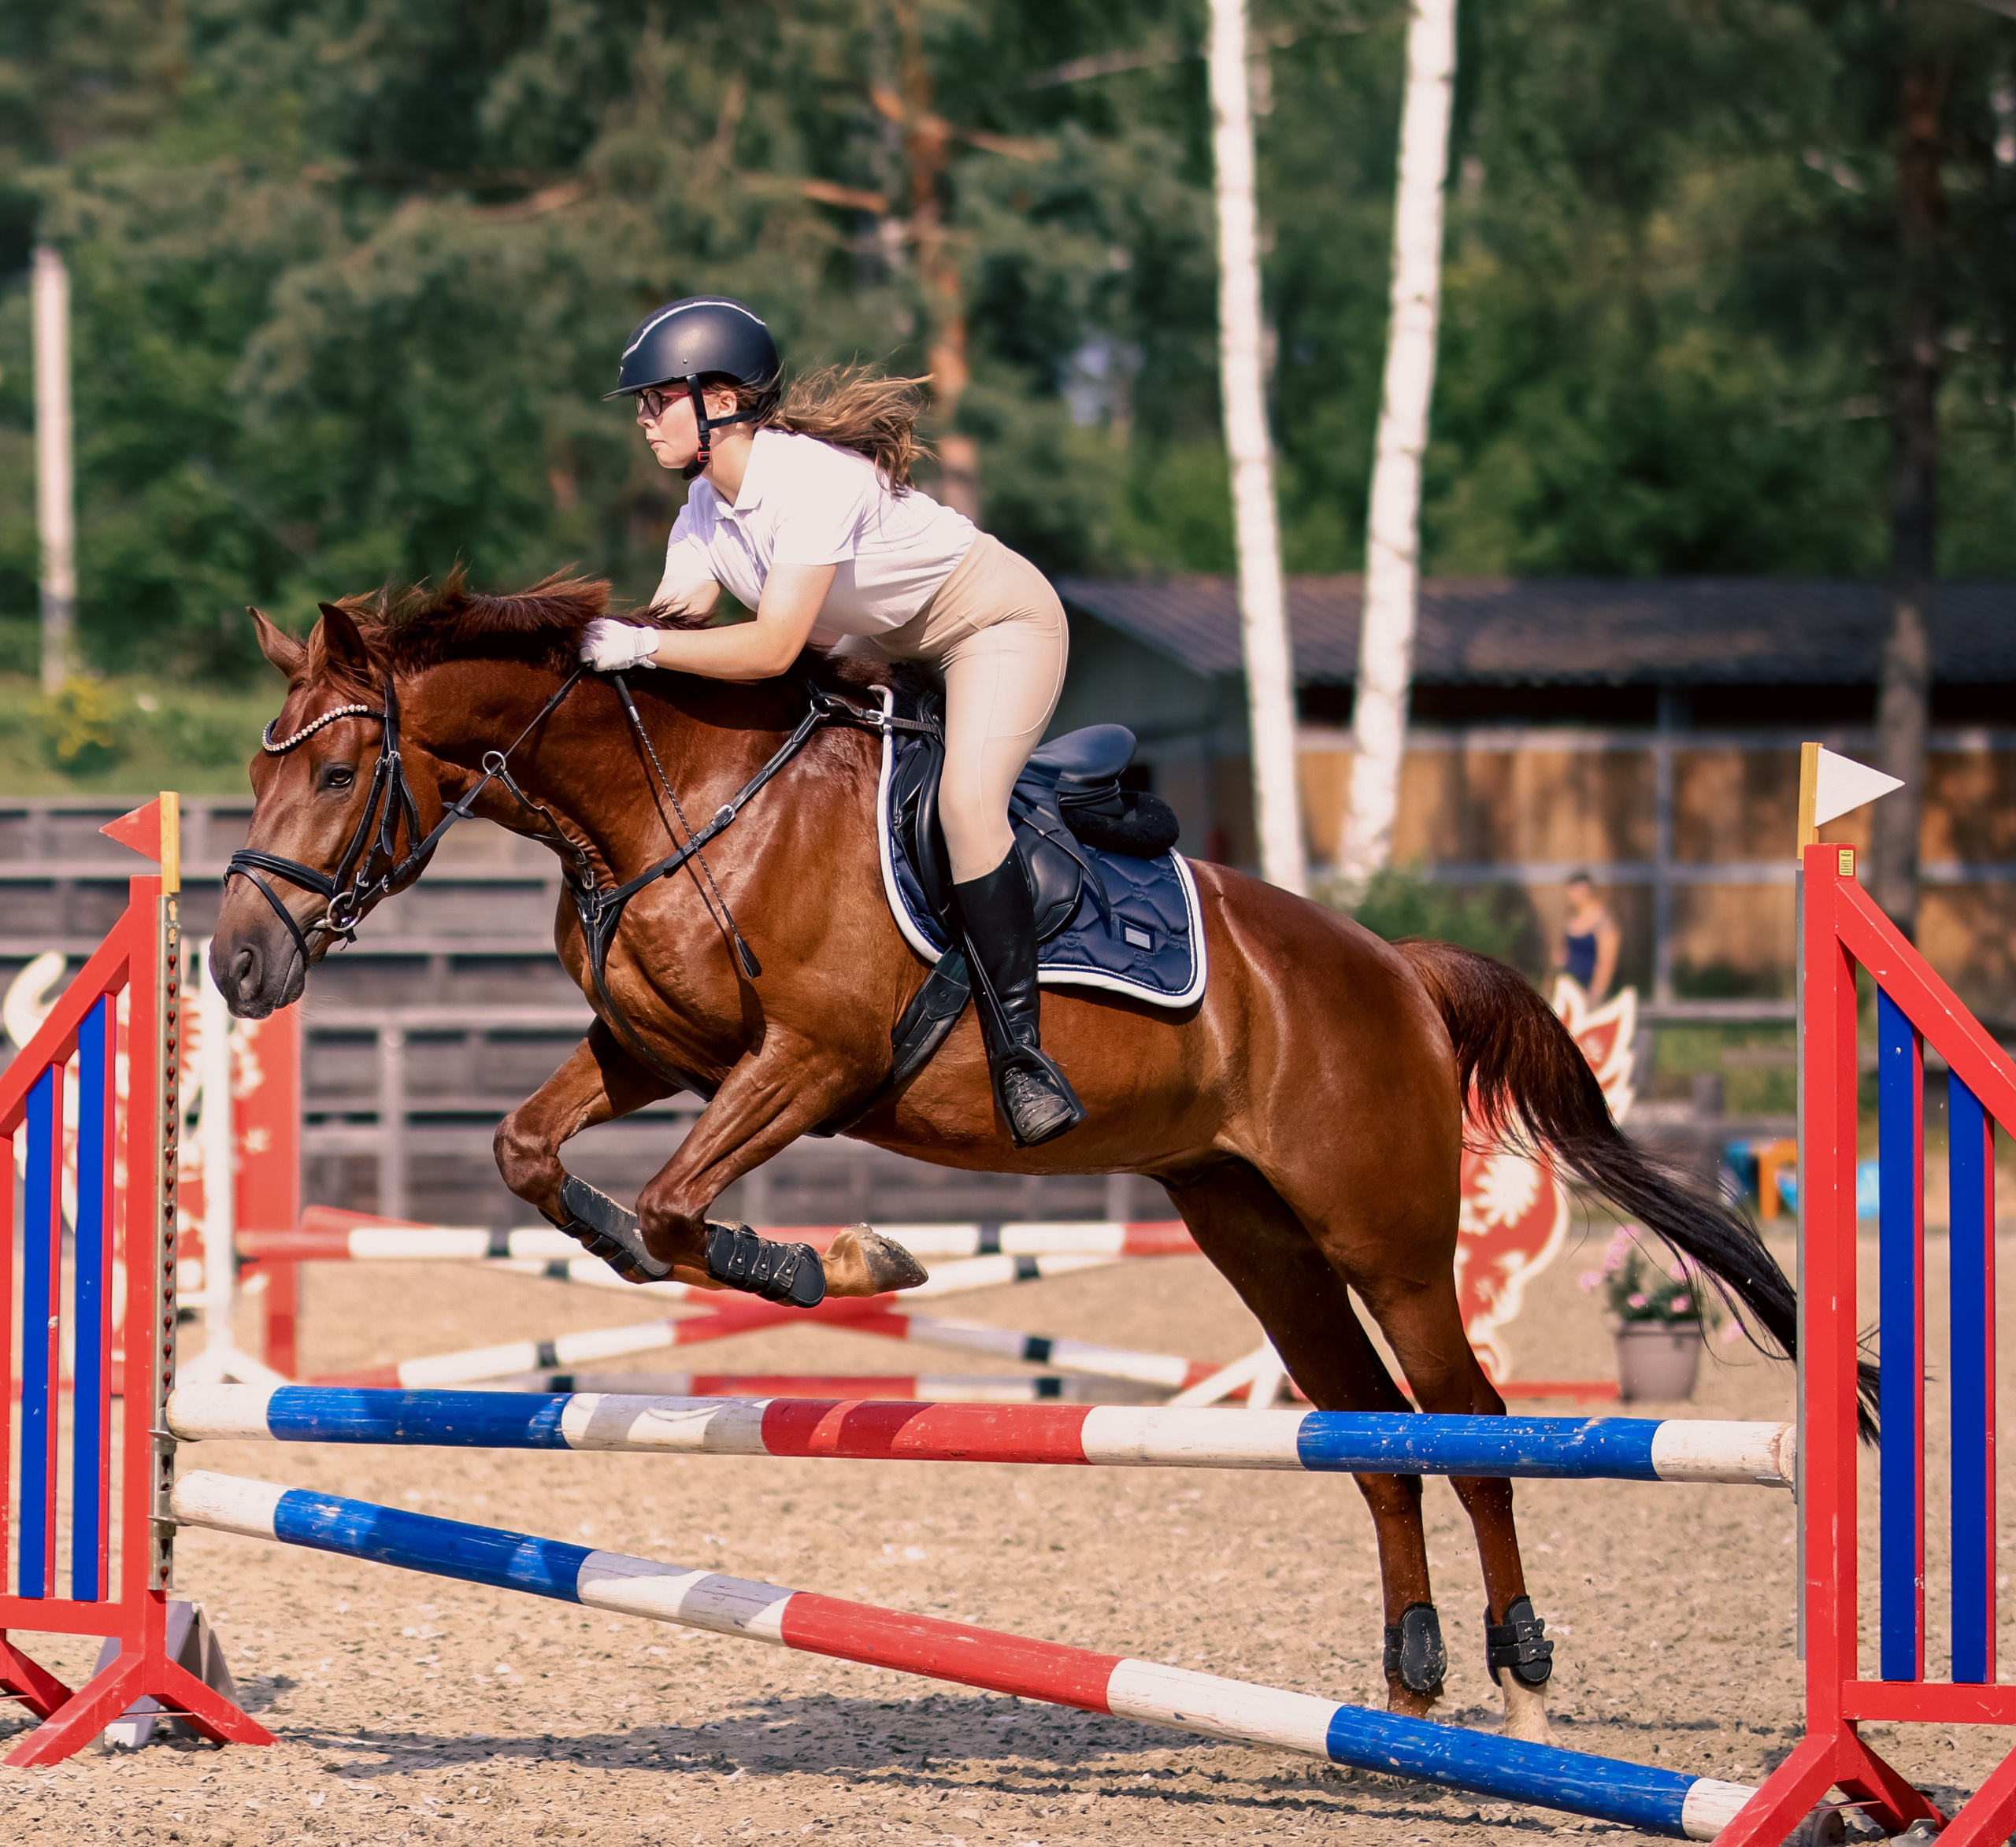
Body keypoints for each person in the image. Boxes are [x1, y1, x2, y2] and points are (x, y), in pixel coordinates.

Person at [576, 295, 1084, 1148]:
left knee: (965, 805)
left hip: (994, 627)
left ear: (723, 401)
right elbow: (675, 633)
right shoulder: (702, 508)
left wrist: (632, 646)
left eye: (657, 398)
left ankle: (1022, 1056)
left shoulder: (812, 479)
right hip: (886, 641)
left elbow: (773, 646)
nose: (643, 418)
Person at [1558, 872, 1620, 1001]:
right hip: (1568, 987)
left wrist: (1596, 994)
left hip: (1589, 990)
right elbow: (1563, 955)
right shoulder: (1570, 917)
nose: (1569, 896)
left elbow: (1607, 962)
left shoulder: (1603, 921)